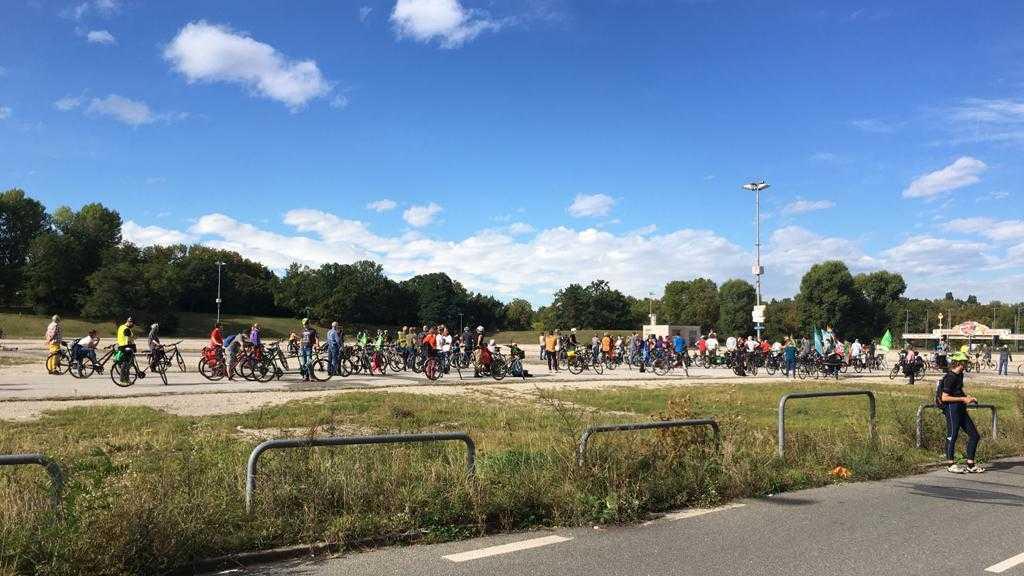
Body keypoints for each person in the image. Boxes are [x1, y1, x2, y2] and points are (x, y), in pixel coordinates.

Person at [940, 353, 984, 473]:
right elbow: (945, 398)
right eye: (965, 362)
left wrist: (967, 397)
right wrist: (963, 399)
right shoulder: (950, 377)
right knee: (952, 435)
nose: (967, 363)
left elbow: (958, 391)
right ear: (959, 363)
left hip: (960, 408)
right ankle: (950, 464)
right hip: (952, 408)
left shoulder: (959, 375)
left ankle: (970, 464)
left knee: (975, 435)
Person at [115, 317, 136, 384]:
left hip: (121, 346)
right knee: (127, 364)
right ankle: (124, 379)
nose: (133, 325)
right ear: (129, 322)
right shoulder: (127, 329)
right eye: (132, 324)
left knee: (126, 363)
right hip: (126, 347)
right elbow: (128, 339)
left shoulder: (121, 327)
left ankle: (125, 379)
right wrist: (133, 347)